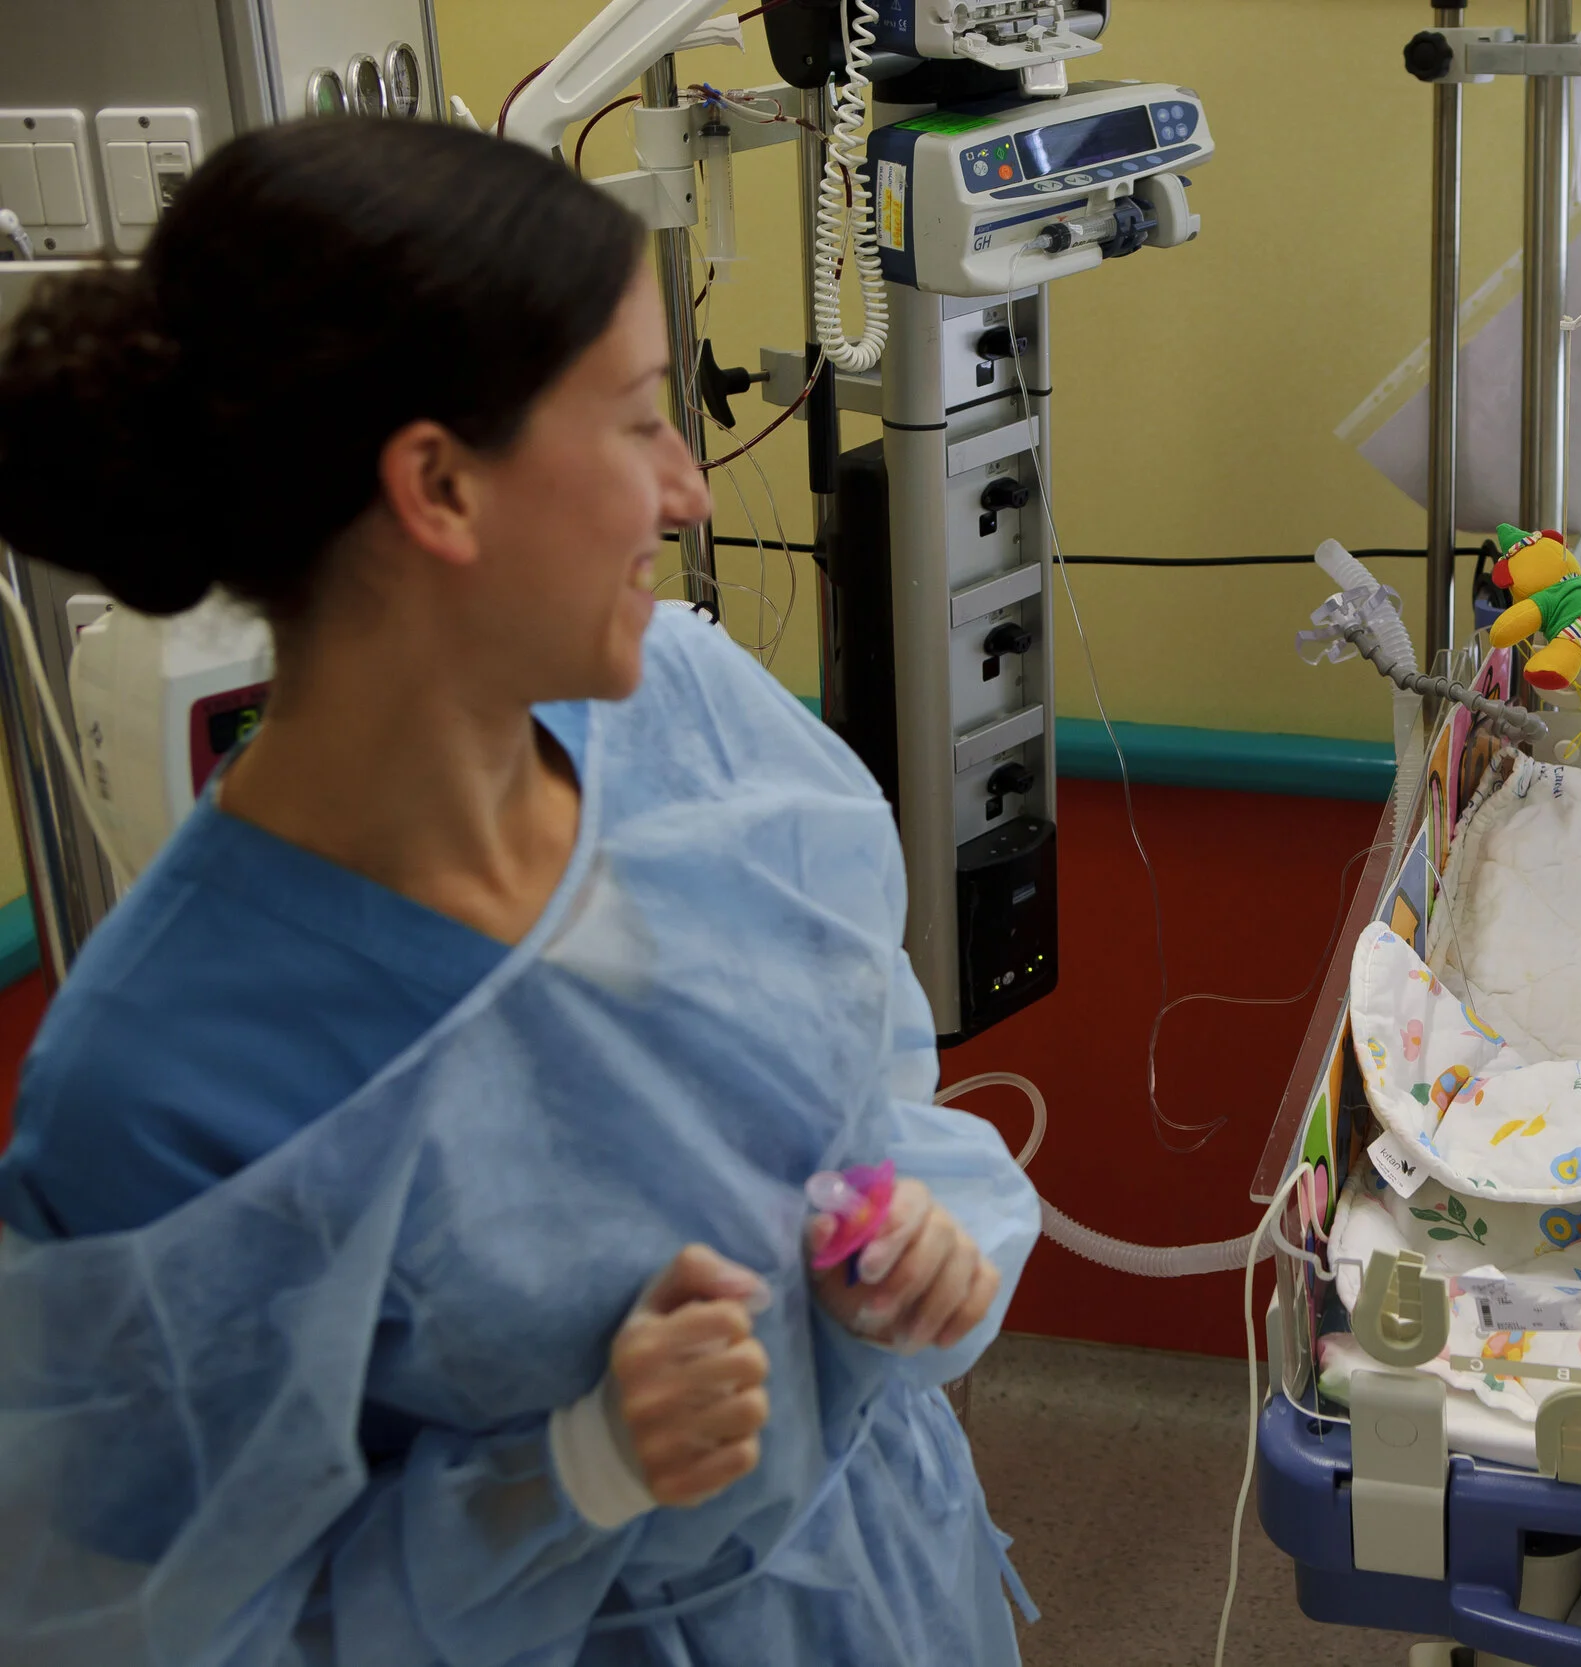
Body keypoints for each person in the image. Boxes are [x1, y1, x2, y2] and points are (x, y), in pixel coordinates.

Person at [0, 118, 1038, 1665]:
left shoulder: (691, 728)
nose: (686, 491)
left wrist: (909, 1249)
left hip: (887, 1582)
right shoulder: (166, 1082)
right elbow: (161, 1627)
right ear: (440, 486)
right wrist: (572, 1472)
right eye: (635, 423)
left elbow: (867, 1095)